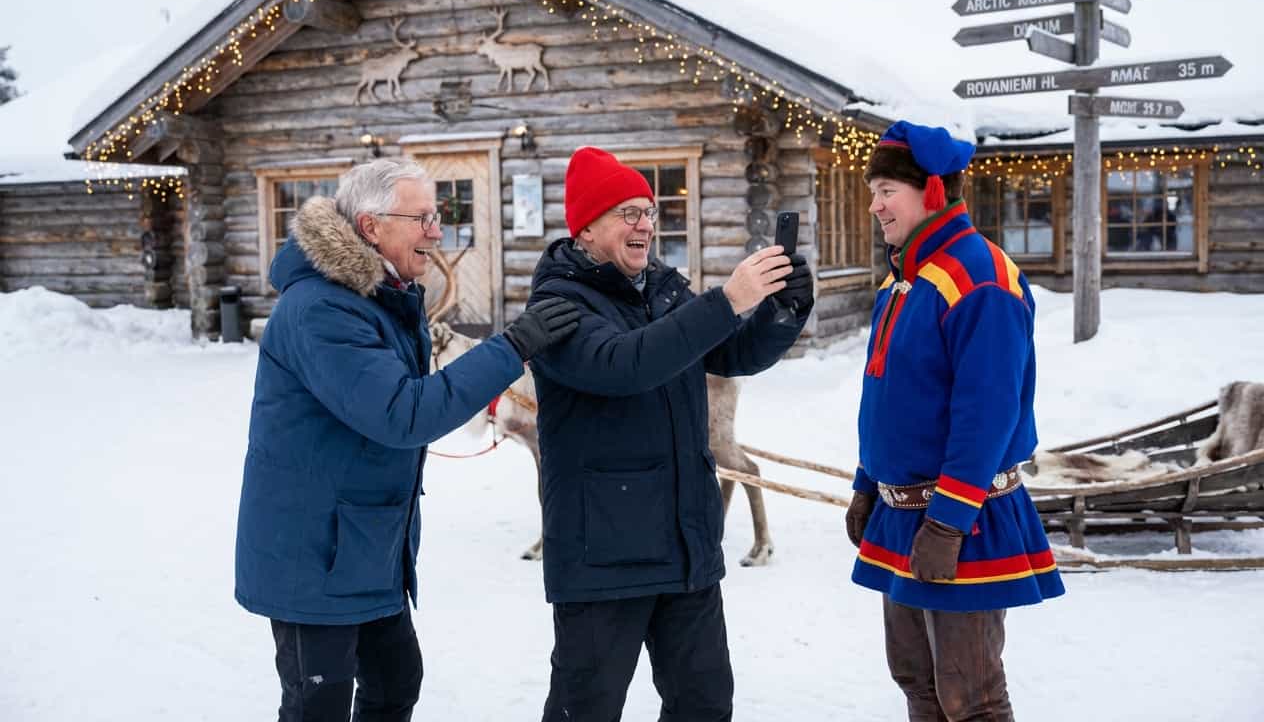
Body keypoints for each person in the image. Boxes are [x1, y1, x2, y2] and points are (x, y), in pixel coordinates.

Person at [234, 158, 580, 721]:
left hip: (365, 543)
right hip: (314, 552)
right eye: (422, 217)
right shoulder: (322, 308)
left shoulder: (382, 296)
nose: (435, 231)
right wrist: (512, 347)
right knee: (318, 704)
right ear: (371, 227)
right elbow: (401, 412)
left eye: (437, 216)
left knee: (395, 681)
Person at [526, 145, 814, 722]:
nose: (645, 225)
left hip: (686, 546)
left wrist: (782, 309)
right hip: (603, 555)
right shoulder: (558, 303)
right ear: (586, 227)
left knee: (704, 706)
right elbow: (625, 364)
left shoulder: (661, 287)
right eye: (627, 212)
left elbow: (730, 353)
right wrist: (727, 298)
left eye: (649, 212)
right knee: (586, 709)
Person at [844, 121, 1065, 722]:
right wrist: (868, 485)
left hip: (960, 520)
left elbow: (987, 415)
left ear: (933, 191)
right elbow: (891, 400)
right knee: (918, 681)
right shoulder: (904, 278)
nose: (875, 205)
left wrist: (947, 522)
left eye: (887, 189)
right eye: (874, 191)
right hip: (901, 515)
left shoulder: (979, 277)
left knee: (971, 695)